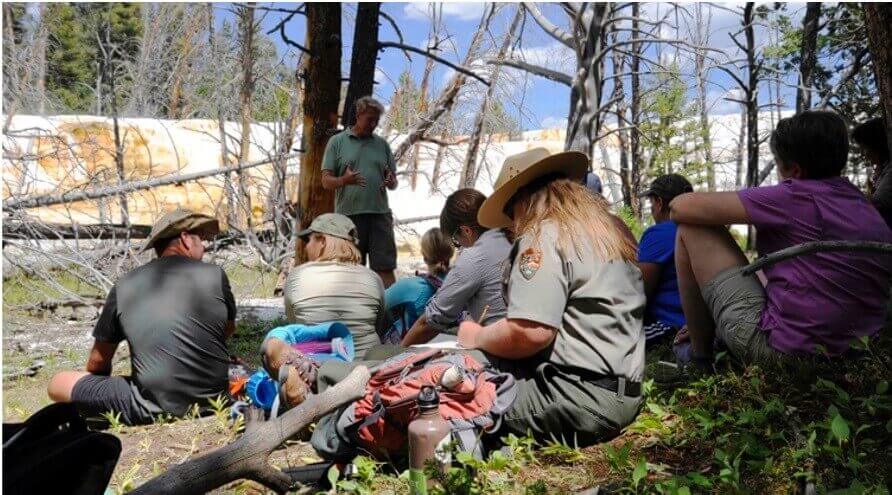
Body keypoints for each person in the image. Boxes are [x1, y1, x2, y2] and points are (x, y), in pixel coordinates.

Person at [669, 110, 892, 372]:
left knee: (691, 229)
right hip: (857, 352)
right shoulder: (861, 204)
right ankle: (708, 330)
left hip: (789, 354)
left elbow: (679, 207)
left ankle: (700, 358)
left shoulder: (794, 195)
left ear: (794, 169)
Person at [456, 148, 645, 447]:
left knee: (450, 394)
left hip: (577, 398)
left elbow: (529, 333)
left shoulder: (543, 235)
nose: (510, 223)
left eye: (509, 212)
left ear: (521, 199)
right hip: (621, 393)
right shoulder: (606, 230)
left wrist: (477, 335)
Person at [47, 209, 236, 425]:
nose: (204, 246)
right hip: (214, 400)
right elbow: (226, 328)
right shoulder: (216, 274)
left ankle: (94, 414)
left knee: (57, 382)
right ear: (185, 238)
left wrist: (99, 390)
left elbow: (98, 360)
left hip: (149, 406)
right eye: (201, 239)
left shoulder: (125, 285)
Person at [267, 213, 386, 407]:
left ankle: (303, 396)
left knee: (276, 345)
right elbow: (378, 324)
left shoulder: (297, 277)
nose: (306, 245)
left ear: (322, 241)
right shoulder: (373, 278)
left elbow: (296, 328)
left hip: (317, 369)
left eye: (310, 239)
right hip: (369, 369)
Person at [400, 189, 512, 346]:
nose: (459, 248)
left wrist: (398, 354)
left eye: (456, 241)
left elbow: (430, 322)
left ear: (466, 231)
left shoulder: (474, 257)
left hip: (505, 351)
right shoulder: (514, 237)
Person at [320, 96, 398, 287]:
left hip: (380, 216)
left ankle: (389, 313)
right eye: (369, 119)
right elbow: (325, 182)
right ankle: (354, 313)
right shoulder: (337, 142)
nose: (373, 124)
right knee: (351, 269)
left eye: (376, 121)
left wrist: (391, 180)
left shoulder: (382, 145)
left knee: (384, 268)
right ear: (358, 115)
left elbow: (393, 181)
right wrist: (344, 180)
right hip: (349, 217)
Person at [638, 174, 693, 348]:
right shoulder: (706, 230)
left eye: (651, 203)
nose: (651, 209)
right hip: (701, 324)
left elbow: (638, 293)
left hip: (669, 326)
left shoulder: (659, 233)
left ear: (660, 202)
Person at [382, 228, 454, 344]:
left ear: (425, 256)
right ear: (451, 253)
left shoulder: (412, 286)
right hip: (445, 344)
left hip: (407, 349)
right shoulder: (460, 283)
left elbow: (379, 303)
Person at [852, 117, 892, 226]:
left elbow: (878, 201)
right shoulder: (881, 169)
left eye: (865, 148)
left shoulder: (889, 170)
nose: (864, 154)